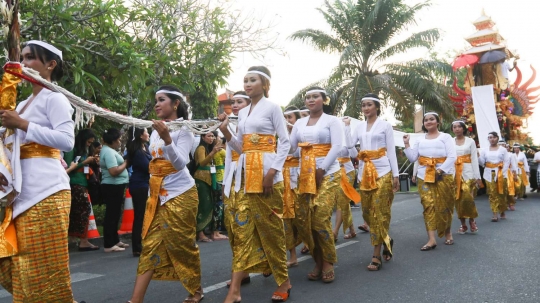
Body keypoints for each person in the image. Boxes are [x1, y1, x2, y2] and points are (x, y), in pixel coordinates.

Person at [0, 41, 76, 301]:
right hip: (21, 193)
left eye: (31, 58)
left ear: (50, 65)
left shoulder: (55, 98)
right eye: (22, 58)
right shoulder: (21, 104)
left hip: (48, 191)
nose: (24, 63)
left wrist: (21, 124)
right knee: (22, 266)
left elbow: (67, 141)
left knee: (44, 268)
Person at [219, 66, 292, 303]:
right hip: (244, 176)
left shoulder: (273, 108)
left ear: (265, 84)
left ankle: (284, 282)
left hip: (266, 175)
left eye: (253, 80)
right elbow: (241, 148)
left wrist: (272, 172)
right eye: (246, 80)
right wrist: (227, 134)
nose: (248, 84)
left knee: (271, 230)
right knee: (242, 231)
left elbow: (285, 142)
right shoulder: (242, 113)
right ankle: (235, 290)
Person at [127, 85, 203, 303]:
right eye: (156, 100)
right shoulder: (154, 130)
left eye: (161, 100)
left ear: (175, 104)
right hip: (157, 196)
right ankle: (135, 300)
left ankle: (196, 290)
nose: (156, 104)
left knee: (182, 245)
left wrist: (168, 138)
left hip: (181, 194)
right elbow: (155, 161)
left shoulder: (185, 129)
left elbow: (180, 164)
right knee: (149, 245)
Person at [289, 86, 342, 283]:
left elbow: (337, 146)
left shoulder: (332, 120)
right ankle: (317, 260)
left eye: (315, 97)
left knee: (320, 218)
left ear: (324, 100)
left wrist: (322, 169)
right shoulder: (299, 123)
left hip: (328, 173)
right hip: (305, 175)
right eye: (308, 97)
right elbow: (292, 149)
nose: (311, 100)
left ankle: (328, 262)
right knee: (305, 221)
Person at [344, 93, 399, 270]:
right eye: (363, 105)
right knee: (367, 213)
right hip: (364, 174)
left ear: (376, 106)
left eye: (369, 105)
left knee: (379, 212)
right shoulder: (358, 127)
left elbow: (391, 151)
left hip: (383, 171)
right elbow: (350, 148)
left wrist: (396, 175)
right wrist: (346, 128)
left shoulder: (385, 126)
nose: (366, 108)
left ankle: (376, 255)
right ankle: (386, 239)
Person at [404, 112, 456, 250]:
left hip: (443, 175)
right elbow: (413, 158)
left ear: (438, 122)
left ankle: (447, 232)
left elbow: (452, 157)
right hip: (424, 175)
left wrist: (439, 171)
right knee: (428, 205)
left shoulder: (446, 137)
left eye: (432, 119)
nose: (428, 122)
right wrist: (406, 144)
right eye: (426, 120)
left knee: (445, 205)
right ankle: (431, 239)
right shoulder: (420, 139)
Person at [223, 92, 252, 288]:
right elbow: (228, 157)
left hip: (250, 178)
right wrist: (225, 184)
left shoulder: (254, 125)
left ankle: (264, 264)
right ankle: (243, 271)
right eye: (233, 102)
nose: (234, 105)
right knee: (232, 228)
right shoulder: (229, 124)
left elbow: (245, 151)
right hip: (232, 180)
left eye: (239, 102)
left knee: (245, 228)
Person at [282, 105, 312, 268]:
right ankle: (292, 256)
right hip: (283, 179)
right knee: (286, 219)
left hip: (298, 178)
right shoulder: (278, 135)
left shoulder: (301, 134)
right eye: (284, 118)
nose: (287, 121)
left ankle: (311, 244)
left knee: (302, 216)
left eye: (290, 118)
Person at [64, 128, 99, 251]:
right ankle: (82, 240)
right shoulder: (72, 149)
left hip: (83, 183)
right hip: (74, 183)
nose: (89, 145)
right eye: (88, 142)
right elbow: (69, 167)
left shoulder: (84, 150)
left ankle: (76, 238)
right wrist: (84, 162)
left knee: (78, 211)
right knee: (83, 209)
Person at [194, 131, 228, 241]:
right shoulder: (201, 148)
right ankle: (200, 234)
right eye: (209, 136)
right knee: (203, 206)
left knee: (208, 205)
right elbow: (202, 163)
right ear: (203, 137)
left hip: (209, 179)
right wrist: (212, 152)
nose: (211, 138)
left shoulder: (209, 148)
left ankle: (204, 232)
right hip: (201, 179)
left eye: (213, 136)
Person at [100, 128, 130, 252]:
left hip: (117, 185)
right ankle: (108, 244)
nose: (120, 141)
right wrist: (126, 164)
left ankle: (115, 240)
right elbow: (113, 171)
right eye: (118, 139)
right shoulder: (108, 152)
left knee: (115, 213)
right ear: (112, 140)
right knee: (111, 215)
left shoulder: (109, 150)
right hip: (112, 185)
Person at [451, 121, 481, 234]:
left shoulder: (470, 141)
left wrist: (477, 176)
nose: (457, 129)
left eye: (459, 127)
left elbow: (474, 159)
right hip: (454, 173)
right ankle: (463, 224)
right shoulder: (449, 142)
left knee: (468, 198)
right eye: (454, 127)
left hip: (468, 172)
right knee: (457, 199)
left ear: (463, 129)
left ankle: (472, 220)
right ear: (452, 129)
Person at [126, 127, 151, 256]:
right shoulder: (138, 151)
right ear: (141, 135)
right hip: (139, 185)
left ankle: (142, 243)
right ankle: (137, 246)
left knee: (143, 215)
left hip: (144, 183)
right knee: (140, 215)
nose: (148, 134)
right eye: (146, 132)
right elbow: (148, 167)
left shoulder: (144, 147)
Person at [479, 133, 511, 222]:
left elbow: (507, 161)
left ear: (497, 138)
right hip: (489, 173)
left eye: (493, 137)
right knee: (492, 193)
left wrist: (502, 172)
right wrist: (478, 156)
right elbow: (482, 163)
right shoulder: (484, 150)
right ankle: (494, 212)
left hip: (500, 173)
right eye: (490, 137)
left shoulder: (503, 150)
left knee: (501, 192)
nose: (492, 139)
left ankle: (502, 210)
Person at [503, 142, 518, 211]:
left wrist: (515, 174)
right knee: (501, 190)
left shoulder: (510, 155)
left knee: (509, 188)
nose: (505, 148)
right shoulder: (497, 153)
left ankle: (511, 203)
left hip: (508, 173)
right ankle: (503, 204)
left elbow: (514, 165)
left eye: (506, 146)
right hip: (498, 173)